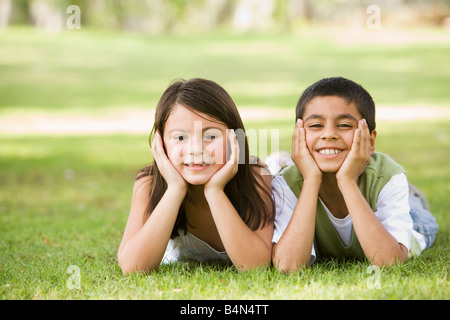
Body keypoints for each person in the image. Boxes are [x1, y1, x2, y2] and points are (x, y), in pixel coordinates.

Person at [271, 77, 438, 272]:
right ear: (298, 135)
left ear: (370, 140)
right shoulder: (286, 183)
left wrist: (347, 180)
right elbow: (288, 266)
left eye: (344, 125)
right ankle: (280, 160)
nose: (329, 134)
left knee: (420, 221)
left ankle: (412, 195)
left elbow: (388, 262)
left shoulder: (388, 177)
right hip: (305, 179)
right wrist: (311, 180)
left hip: (410, 217)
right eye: (316, 125)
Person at [118, 78, 275, 274]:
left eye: (210, 136)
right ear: (160, 142)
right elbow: (133, 268)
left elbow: (255, 267)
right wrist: (175, 188)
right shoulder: (149, 183)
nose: (196, 150)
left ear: (235, 138)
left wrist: (215, 191)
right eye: (180, 137)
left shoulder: (255, 175)